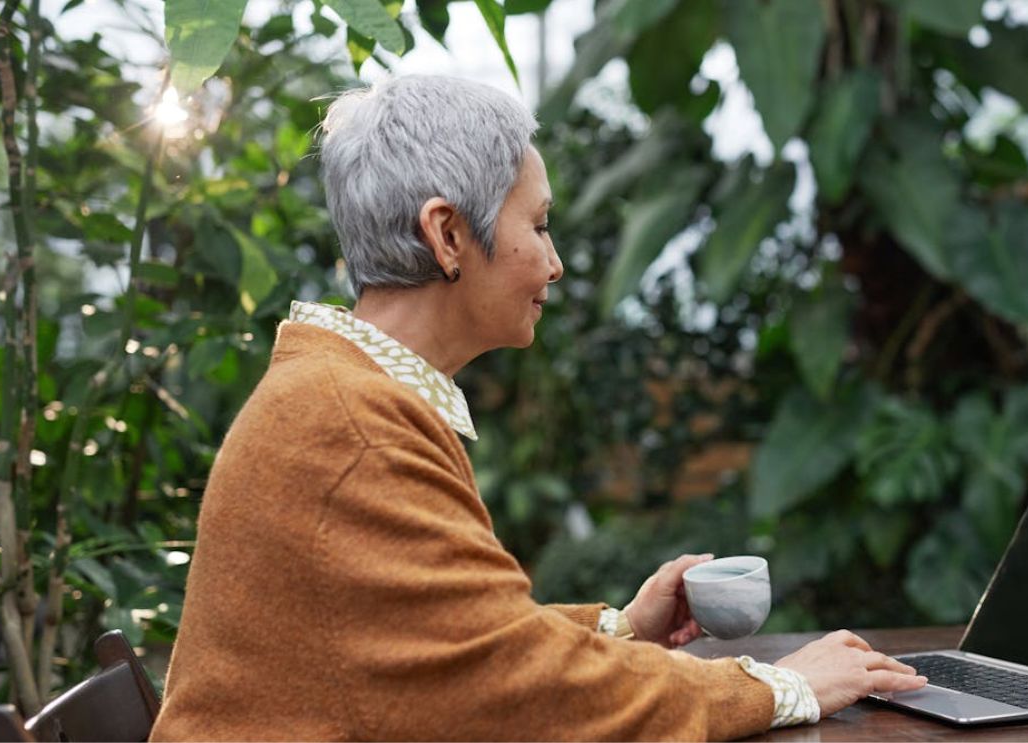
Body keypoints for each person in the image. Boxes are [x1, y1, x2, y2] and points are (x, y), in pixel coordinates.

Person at [150, 74, 926, 741]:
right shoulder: (350, 426)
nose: (553, 264)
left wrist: (618, 627)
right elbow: (519, 690)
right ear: (447, 234)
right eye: (539, 224)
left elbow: (448, 645)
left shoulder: (341, 392)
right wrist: (780, 687)